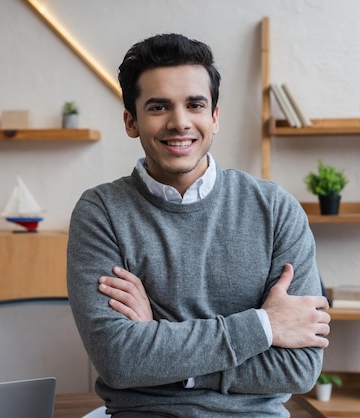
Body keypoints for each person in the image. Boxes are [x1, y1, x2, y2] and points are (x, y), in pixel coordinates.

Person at [67, 33, 330, 417]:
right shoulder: (101, 212)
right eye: (159, 107)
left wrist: (159, 344)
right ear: (131, 121)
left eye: (195, 105)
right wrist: (263, 326)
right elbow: (120, 361)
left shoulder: (275, 209)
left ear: (215, 117)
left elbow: (299, 368)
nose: (179, 122)